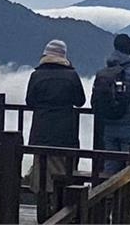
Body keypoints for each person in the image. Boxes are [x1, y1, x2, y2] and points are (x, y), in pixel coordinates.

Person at [25, 39, 86, 215]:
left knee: (41, 173)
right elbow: (80, 101)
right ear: (64, 56)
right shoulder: (72, 76)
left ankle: (42, 211)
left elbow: (30, 101)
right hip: (65, 132)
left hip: (41, 131)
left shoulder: (36, 75)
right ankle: (61, 211)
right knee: (64, 172)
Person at [91, 33, 130, 174]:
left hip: (109, 127)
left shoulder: (104, 73)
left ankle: (107, 189)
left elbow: (95, 101)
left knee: (110, 166)